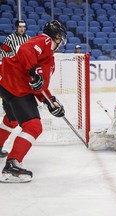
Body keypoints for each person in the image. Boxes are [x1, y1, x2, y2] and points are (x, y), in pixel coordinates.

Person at [0, 20, 67, 183]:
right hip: (15, 85)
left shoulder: (49, 59)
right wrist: (33, 70)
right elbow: (25, 49)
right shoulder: (46, 40)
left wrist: (50, 102)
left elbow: (39, 87)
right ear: (57, 36)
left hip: (7, 83)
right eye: (61, 38)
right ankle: (11, 166)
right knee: (34, 126)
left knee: (12, 119)